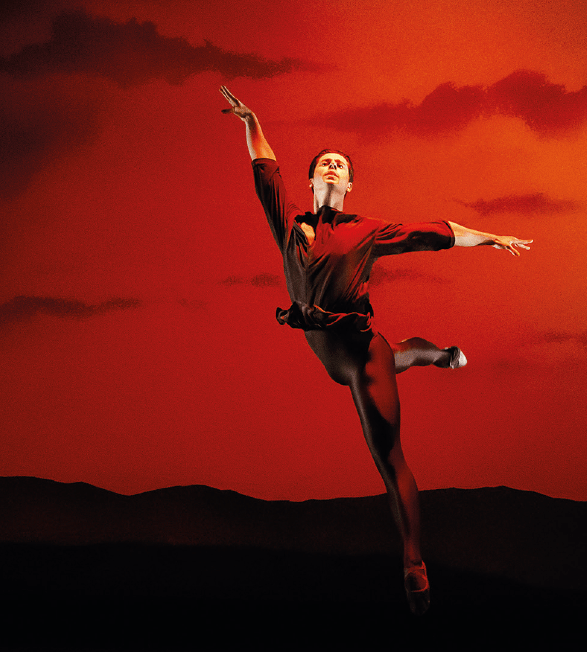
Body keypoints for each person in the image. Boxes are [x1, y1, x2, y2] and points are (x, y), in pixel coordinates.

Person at [220, 86, 530, 614]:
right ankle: (437, 354)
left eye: (341, 165)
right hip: (327, 351)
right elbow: (265, 170)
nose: (333, 167)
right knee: (402, 352)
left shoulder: (367, 231)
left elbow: (431, 233)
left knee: (389, 451)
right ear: (312, 180)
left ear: (350, 183)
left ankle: (414, 561)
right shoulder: (290, 225)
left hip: (363, 358)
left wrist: (490, 237)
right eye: (325, 163)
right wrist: (251, 121)